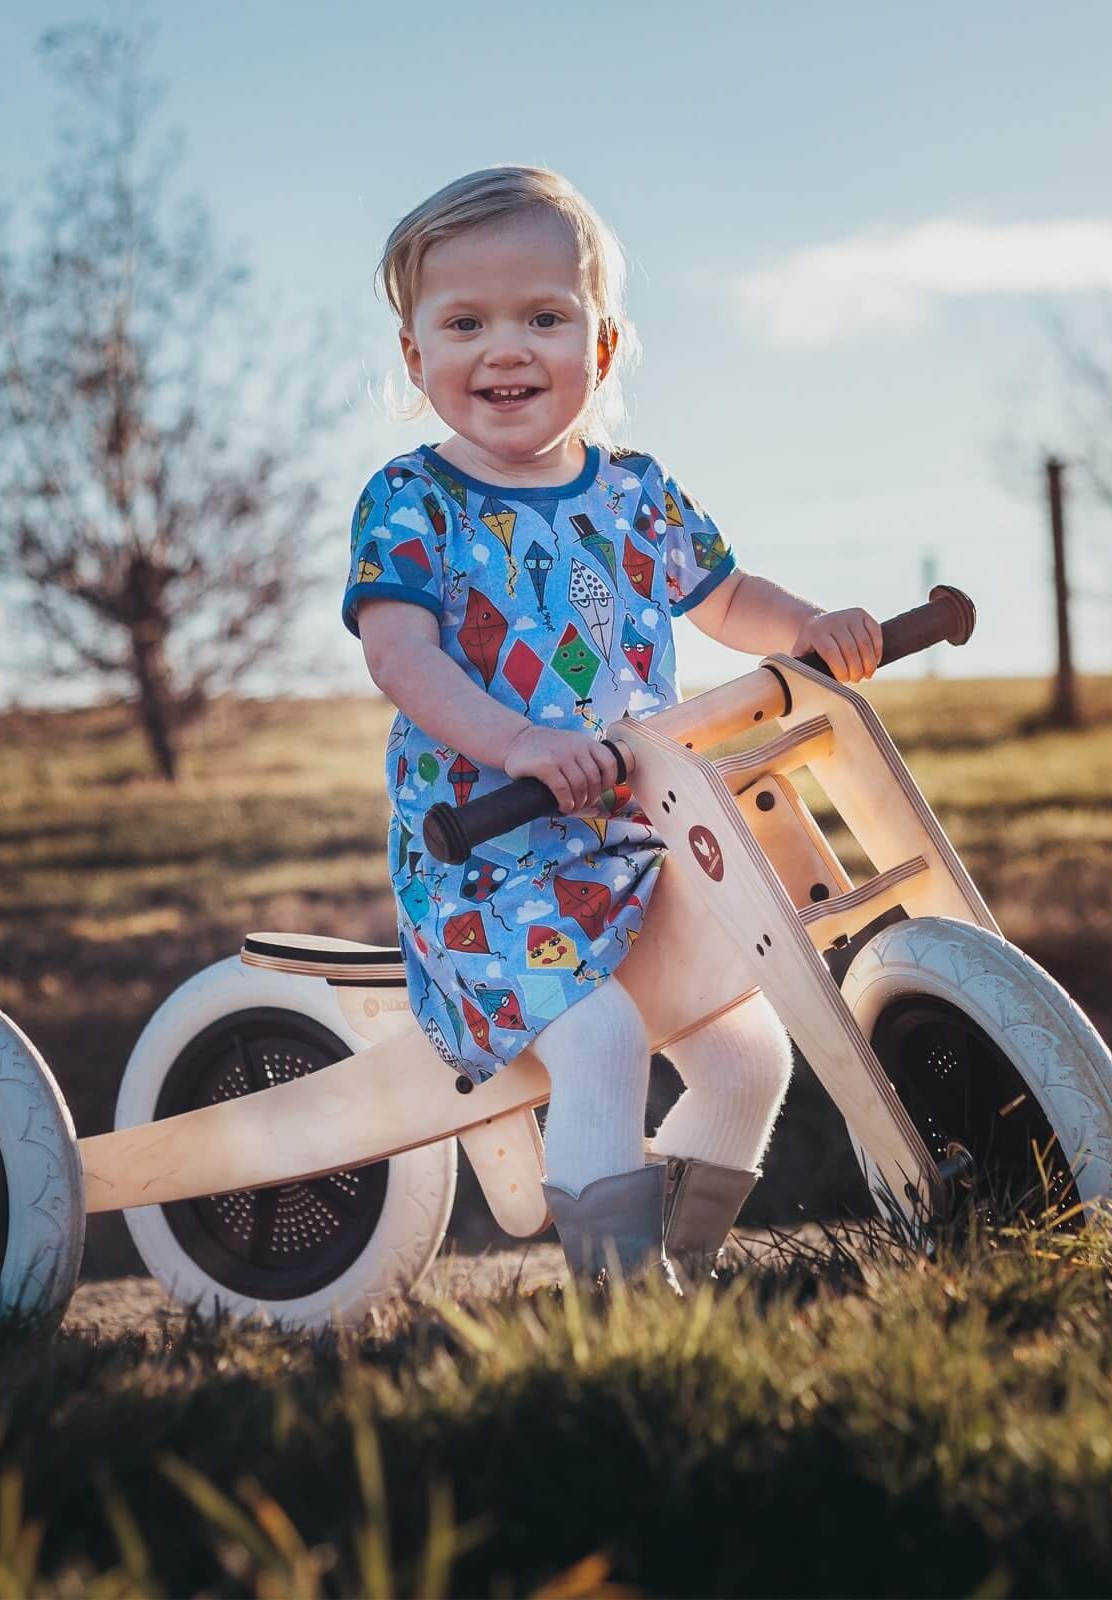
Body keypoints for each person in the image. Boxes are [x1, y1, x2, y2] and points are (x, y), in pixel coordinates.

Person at [344, 167, 883, 1290]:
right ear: (416, 360)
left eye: (544, 316)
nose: (506, 348)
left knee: (746, 1052)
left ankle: (666, 1266)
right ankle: (620, 1302)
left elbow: (728, 599)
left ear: (601, 347)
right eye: (466, 322)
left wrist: (809, 627)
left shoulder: (635, 496)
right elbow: (400, 655)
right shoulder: (412, 503)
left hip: (629, 846)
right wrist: (523, 746)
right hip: (487, 863)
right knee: (600, 1039)